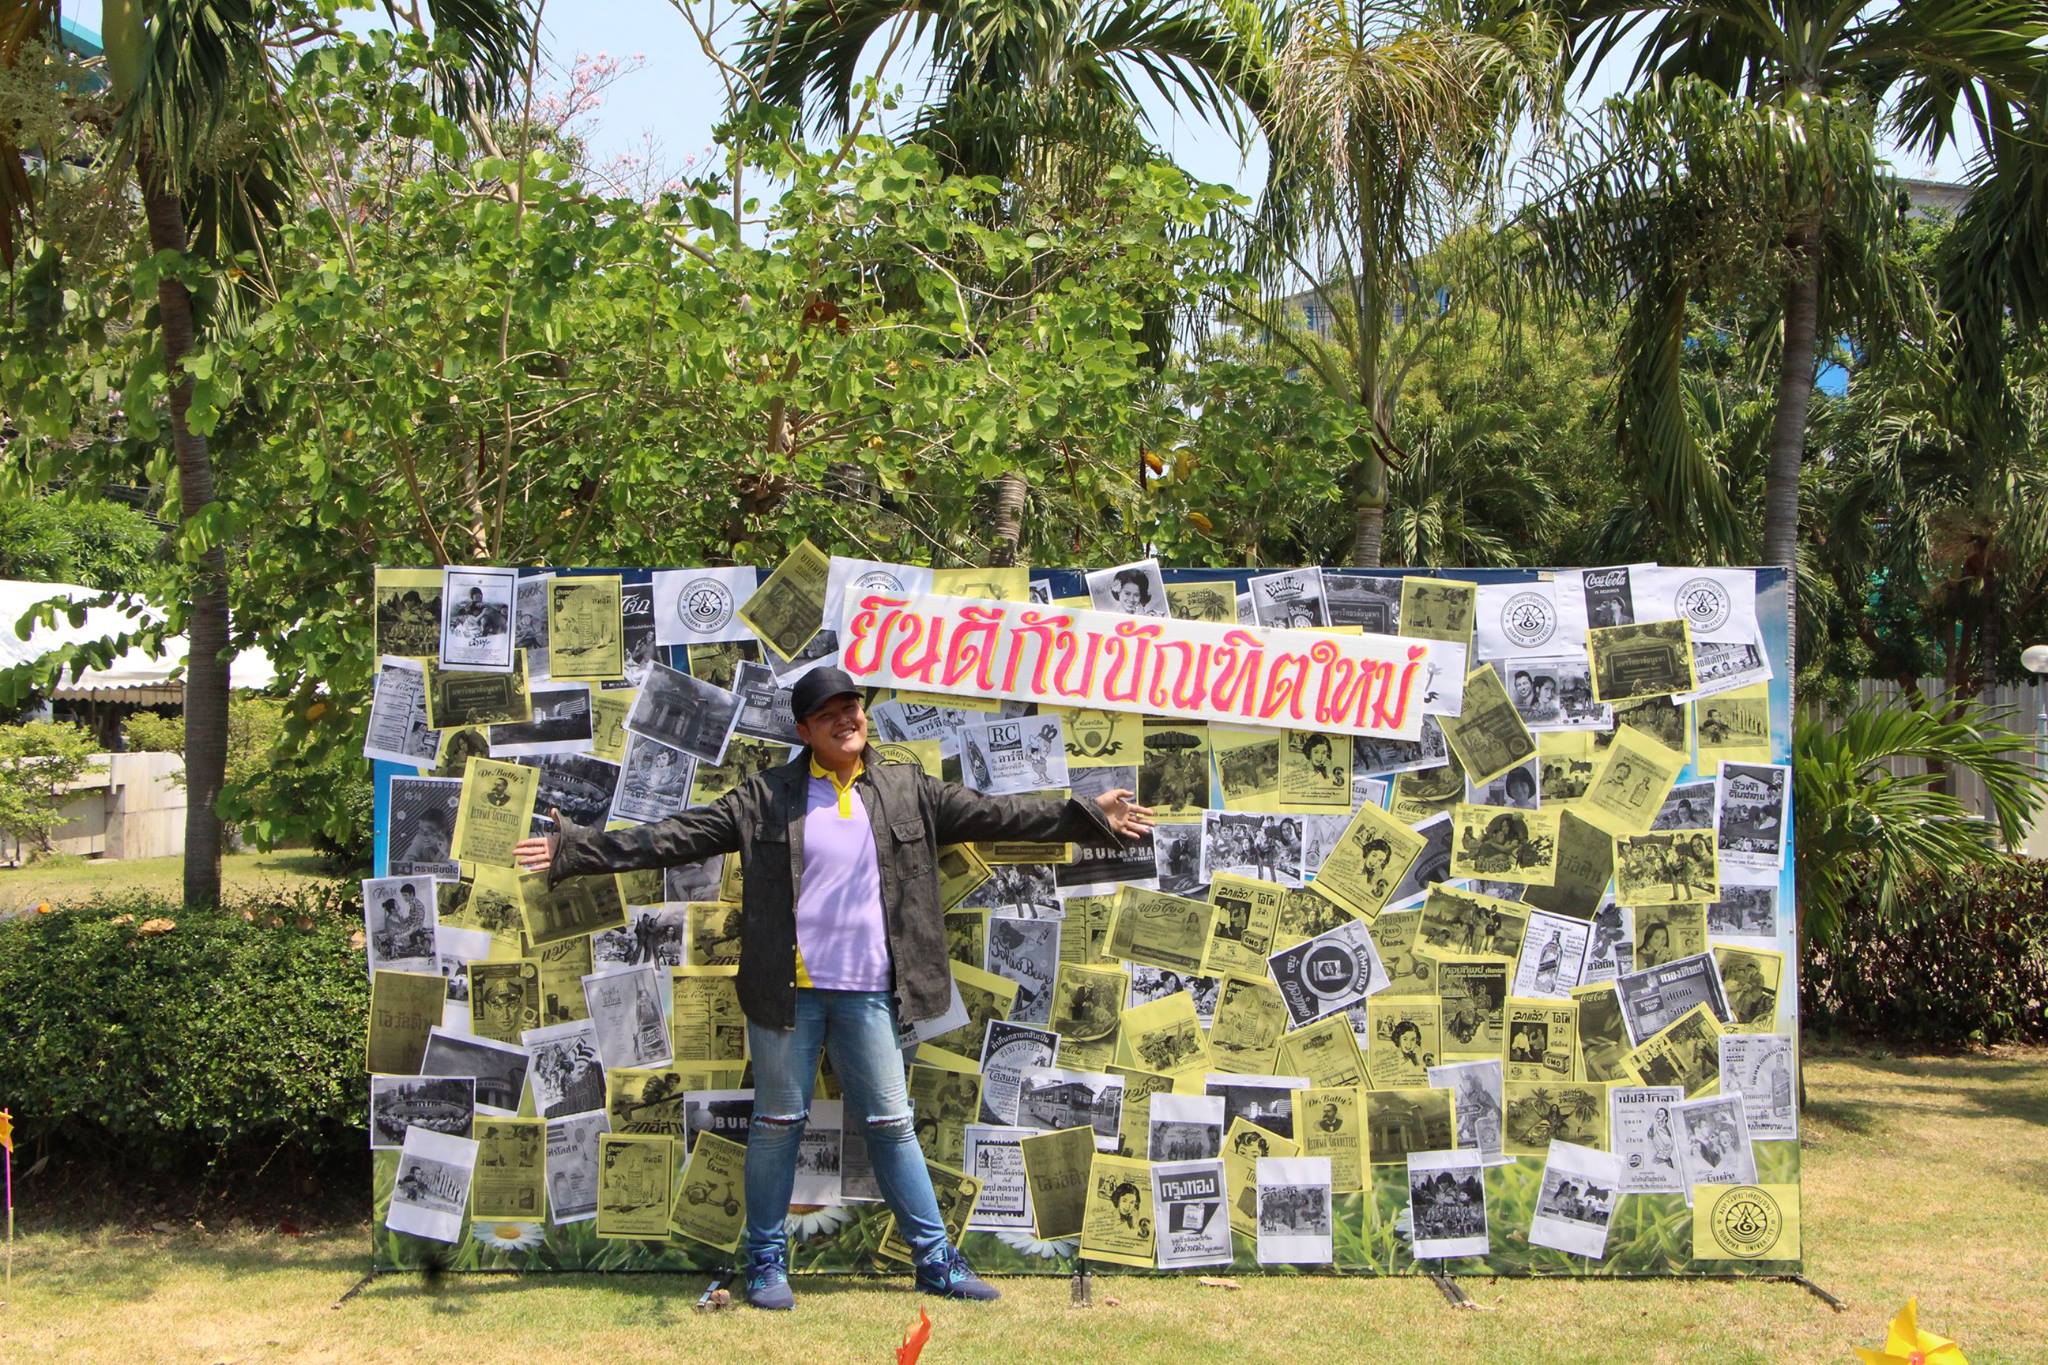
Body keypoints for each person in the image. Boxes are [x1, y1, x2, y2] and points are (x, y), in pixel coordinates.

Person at [516, 666, 1153, 1310]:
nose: (846, 720)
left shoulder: (907, 789)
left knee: (892, 1123)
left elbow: (1000, 815)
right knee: (776, 1124)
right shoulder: (765, 797)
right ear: (804, 731)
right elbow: (674, 837)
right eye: (829, 714)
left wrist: (1086, 815)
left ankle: (935, 1260)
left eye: (852, 707)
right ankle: (765, 1261)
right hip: (785, 994)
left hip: (870, 992)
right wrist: (576, 850)